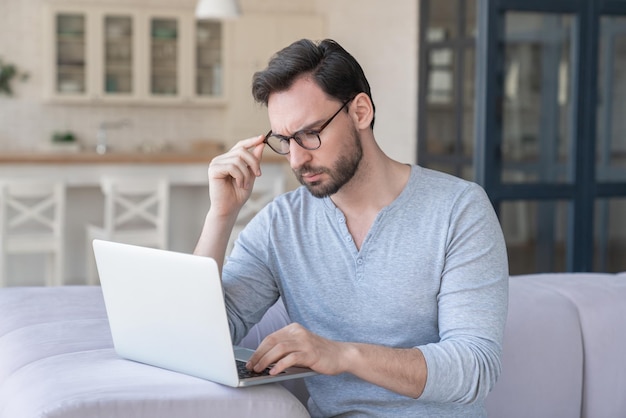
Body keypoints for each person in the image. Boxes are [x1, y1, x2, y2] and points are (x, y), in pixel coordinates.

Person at [194, 38, 508, 417]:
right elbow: (200, 338)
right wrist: (221, 215)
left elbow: (474, 368)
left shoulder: (458, 210)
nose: (297, 159)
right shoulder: (281, 224)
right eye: (286, 140)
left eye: (311, 133)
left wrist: (342, 354)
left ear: (360, 111)